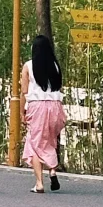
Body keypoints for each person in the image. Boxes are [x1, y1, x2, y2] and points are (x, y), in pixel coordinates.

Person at [21, 34, 67, 193]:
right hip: (56, 107)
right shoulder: (55, 66)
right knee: (49, 140)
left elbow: (24, 92)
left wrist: (22, 112)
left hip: (37, 107)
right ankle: (52, 171)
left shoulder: (28, 66)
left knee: (34, 144)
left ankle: (39, 183)